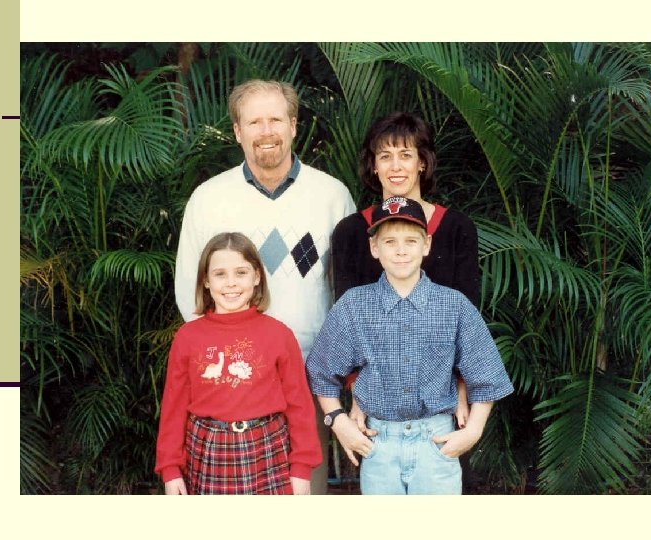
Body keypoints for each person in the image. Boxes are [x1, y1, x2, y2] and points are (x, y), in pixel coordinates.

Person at [174, 80, 356, 493]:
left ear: (293, 125)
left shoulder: (331, 196)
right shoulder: (208, 199)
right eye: (254, 122)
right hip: (231, 385)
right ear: (238, 132)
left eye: (275, 119)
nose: (266, 131)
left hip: (310, 375)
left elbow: (347, 295)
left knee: (304, 490)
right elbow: (190, 291)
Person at [306, 197, 513, 494]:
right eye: (389, 241)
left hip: (436, 443)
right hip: (378, 444)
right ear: (374, 248)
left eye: (411, 241)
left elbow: (487, 375)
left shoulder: (453, 305)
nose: (401, 250)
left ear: (427, 245)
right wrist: (338, 421)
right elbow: (321, 371)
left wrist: (474, 431)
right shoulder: (354, 306)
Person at [331, 112, 479, 484]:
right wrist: (357, 397)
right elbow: (349, 328)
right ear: (373, 165)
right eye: (385, 156)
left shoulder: (456, 228)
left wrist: (462, 391)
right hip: (380, 406)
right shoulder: (351, 232)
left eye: (406, 155)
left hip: (443, 404)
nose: (395, 166)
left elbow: (468, 323)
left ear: (422, 162)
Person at [156, 232, 322, 494]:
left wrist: (301, 467)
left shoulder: (279, 335)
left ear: (257, 277)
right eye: (220, 274)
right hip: (209, 451)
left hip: (268, 451)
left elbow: (299, 406)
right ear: (206, 281)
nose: (231, 283)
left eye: (241, 273)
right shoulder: (188, 337)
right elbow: (173, 408)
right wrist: (170, 468)